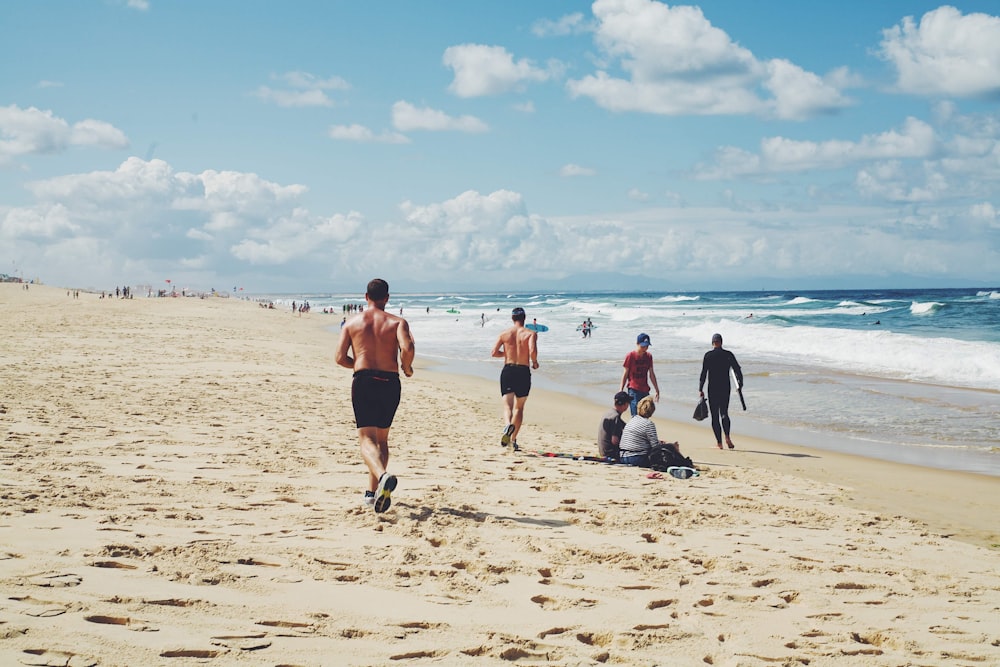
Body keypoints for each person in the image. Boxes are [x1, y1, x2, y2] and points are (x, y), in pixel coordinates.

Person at [335, 278, 415, 513]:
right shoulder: (397, 322)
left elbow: (339, 358)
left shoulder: (352, 323)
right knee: (382, 440)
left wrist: (359, 363)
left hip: (364, 381)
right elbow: (408, 348)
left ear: (365, 296)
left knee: (366, 439)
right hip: (390, 382)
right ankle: (371, 494)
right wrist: (407, 367)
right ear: (387, 298)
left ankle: (382, 476)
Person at [491, 306, 539, 451]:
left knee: (507, 406)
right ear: (524, 318)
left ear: (512, 319)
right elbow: (532, 351)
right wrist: (535, 362)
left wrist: (507, 354)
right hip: (523, 371)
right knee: (519, 408)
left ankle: (507, 426)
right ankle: (513, 440)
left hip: (508, 370)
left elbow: (493, 352)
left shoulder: (504, 334)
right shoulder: (530, 333)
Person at [699, 332, 743, 450]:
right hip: (725, 387)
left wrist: (700, 388)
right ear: (721, 342)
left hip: (712, 388)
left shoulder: (708, 355)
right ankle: (727, 437)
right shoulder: (728, 355)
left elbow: (704, 373)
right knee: (724, 413)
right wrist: (740, 385)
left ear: (713, 343)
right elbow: (737, 370)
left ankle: (719, 443)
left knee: (715, 416)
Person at [618, 396, 683, 467]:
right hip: (636, 458)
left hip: (623, 456)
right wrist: (670, 446)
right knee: (670, 448)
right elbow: (655, 447)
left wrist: (659, 442)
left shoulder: (632, 420)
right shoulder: (648, 424)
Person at [620, 333, 660, 416]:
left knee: (646, 414)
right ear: (637, 344)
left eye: (647, 346)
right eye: (643, 346)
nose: (645, 348)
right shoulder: (630, 356)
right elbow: (625, 374)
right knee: (635, 416)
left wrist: (657, 389)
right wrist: (621, 389)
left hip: (645, 390)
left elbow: (651, 374)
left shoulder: (649, 356)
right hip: (633, 390)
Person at [597, 391, 631, 460]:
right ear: (625, 405)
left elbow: (626, 426)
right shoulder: (615, 417)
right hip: (610, 453)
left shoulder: (609, 413)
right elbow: (615, 441)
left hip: (603, 450)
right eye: (628, 403)